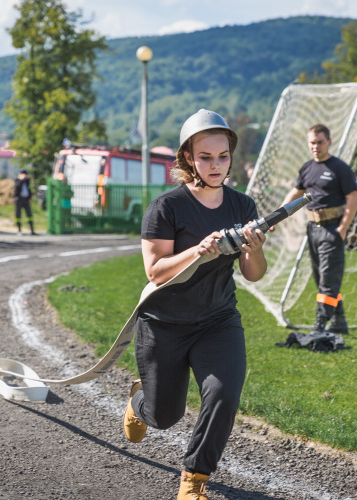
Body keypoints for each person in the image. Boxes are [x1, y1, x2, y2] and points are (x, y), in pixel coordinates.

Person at [122, 109, 268, 499]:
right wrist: (197, 250)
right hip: (164, 324)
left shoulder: (242, 206)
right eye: (206, 157)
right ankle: (140, 401)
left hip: (217, 320)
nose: (216, 164)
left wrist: (254, 249)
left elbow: (253, 273)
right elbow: (155, 271)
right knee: (164, 417)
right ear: (188, 157)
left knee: (223, 393)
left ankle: (194, 479)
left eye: (222, 156)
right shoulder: (166, 208)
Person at [280, 124, 357, 335]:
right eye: (312, 143)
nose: (315, 147)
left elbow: (353, 197)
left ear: (329, 142)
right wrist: (277, 217)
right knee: (322, 279)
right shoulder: (307, 168)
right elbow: (296, 192)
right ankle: (339, 322)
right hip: (312, 230)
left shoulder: (339, 168)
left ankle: (319, 325)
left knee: (327, 279)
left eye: (320, 142)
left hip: (332, 229)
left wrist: (343, 228)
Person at [14, 169, 36, 235]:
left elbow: (29, 190)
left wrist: (30, 197)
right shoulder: (17, 180)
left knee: (29, 214)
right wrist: (21, 180)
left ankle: (32, 230)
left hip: (26, 200)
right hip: (19, 200)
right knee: (18, 215)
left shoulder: (27, 181)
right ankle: (19, 230)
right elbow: (17, 189)